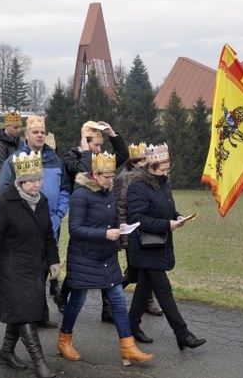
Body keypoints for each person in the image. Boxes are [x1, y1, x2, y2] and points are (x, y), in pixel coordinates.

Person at [57, 151, 153, 367]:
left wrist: (120, 226)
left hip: (106, 256)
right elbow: (75, 229)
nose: (111, 180)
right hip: (84, 257)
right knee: (77, 301)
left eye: (112, 176)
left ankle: (128, 347)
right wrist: (104, 233)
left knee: (118, 300)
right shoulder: (80, 195)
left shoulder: (108, 191)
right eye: (107, 176)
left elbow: (114, 216)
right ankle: (64, 339)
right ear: (95, 174)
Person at [0, 150, 60, 378]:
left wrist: (53, 261)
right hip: (10, 268)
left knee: (22, 310)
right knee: (26, 313)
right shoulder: (3, 203)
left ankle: (6, 350)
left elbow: (47, 235)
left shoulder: (41, 201)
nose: (37, 184)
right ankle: (40, 362)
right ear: (20, 182)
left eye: (39, 179)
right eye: (32, 181)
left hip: (33, 266)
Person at [126, 143, 206, 351]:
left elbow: (163, 207)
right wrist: (166, 225)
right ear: (150, 167)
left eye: (167, 169)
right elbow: (136, 218)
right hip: (145, 247)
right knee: (164, 291)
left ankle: (130, 326)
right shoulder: (138, 186)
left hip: (158, 244)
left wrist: (176, 216)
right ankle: (182, 333)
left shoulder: (162, 183)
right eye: (162, 170)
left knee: (144, 288)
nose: (165, 173)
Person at [0, 115, 70, 328]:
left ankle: (39, 315)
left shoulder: (55, 160)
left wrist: (58, 215)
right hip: (26, 227)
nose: (40, 136)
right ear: (26, 134)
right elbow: (4, 192)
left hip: (52, 226)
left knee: (45, 269)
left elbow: (65, 189)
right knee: (31, 273)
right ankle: (30, 317)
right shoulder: (15, 160)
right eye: (35, 132)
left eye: (42, 132)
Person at [56, 120, 128, 313]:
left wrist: (113, 134)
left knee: (107, 257)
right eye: (95, 145)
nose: (98, 151)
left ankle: (108, 308)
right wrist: (86, 150)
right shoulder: (71, 157)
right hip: (84, 211)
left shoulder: (102, 159)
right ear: (85, 142)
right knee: (82, 265)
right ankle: (63, 295)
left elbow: (122, 156)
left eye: (100, 147)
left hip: (103, 207)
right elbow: (84, 170)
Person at [114, 142, 163, 317]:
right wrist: (124, 236)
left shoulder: (145, 177)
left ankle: (146, 301)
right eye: (142, 160)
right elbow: (120, 207)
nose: (146, 163)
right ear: (134, 161)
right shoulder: (124, 178)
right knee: (135, 272)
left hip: (146, 228)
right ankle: (112, 293)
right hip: (132, 230)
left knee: (145, 269)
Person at [0, 111, 22, 199]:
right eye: (15, 127)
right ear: (6, 126)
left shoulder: (21, 144)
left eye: (20, 127)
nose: (19, 130)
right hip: (2, 192)